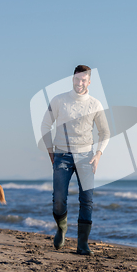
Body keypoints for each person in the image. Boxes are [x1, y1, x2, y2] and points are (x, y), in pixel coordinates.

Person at [41, 65, 110, 255]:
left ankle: (82, 244)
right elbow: (45, 125)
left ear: (89, 82)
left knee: (87, 200)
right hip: (62, 155)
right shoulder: (59, 100)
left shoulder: (95, 104)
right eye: (77, 79)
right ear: (73, 79)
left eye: (84, 80)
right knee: (59, 199)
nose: (80, 83)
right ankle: (62, 228)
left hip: (86, 156)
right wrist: (50, 152)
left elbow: (105, 132)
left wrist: (98, 155)